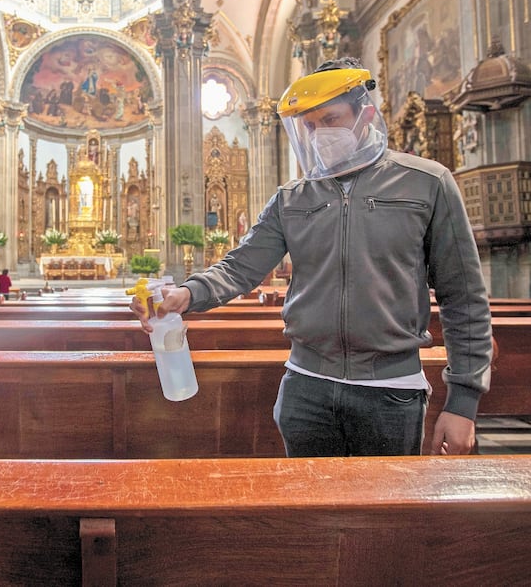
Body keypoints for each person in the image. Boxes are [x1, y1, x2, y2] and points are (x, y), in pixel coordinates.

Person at [131, 57, 492, 458]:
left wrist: (463, 402)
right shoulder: (292, 198)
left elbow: (464, 298)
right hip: (306, 387)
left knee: (383, 518)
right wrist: (187, 293)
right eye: (309, 124)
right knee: (307, 517)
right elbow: (240, 266)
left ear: (365, 114)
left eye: (331, 119)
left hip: (390, 391)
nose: (320, 133)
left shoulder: (427, 182)